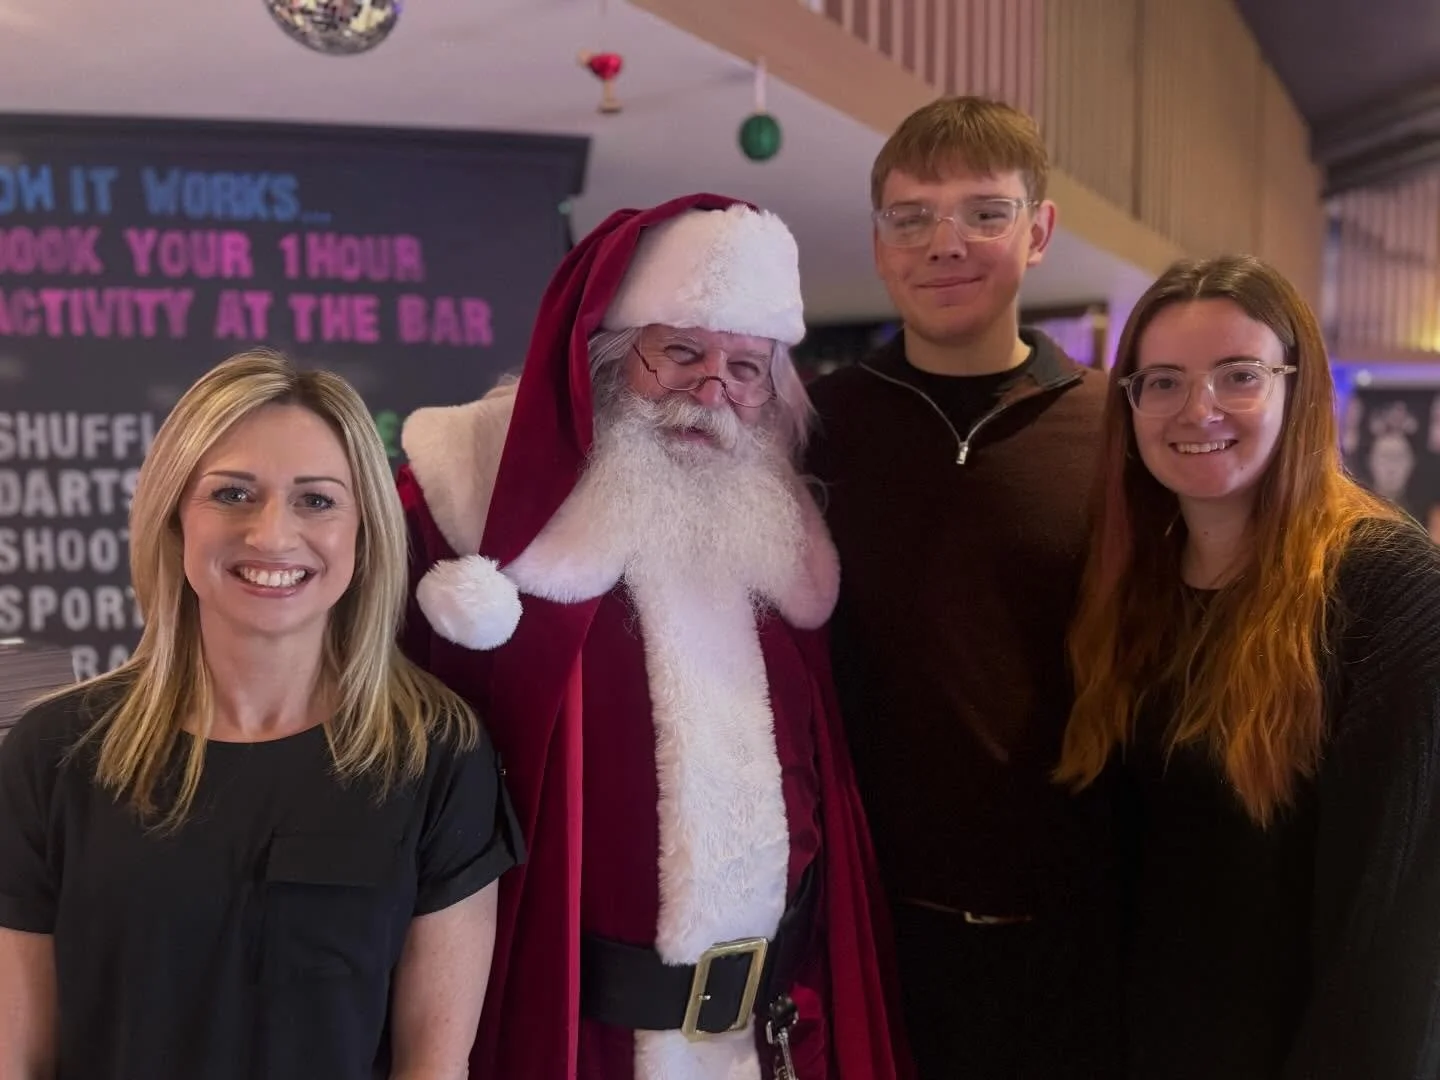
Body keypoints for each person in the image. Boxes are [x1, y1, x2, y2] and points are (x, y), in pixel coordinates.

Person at [397, 193, 908, 1080]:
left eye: (747, 367)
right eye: (679, 352)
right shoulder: (460, 514)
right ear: (602, 357)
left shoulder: (779, 541)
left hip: (774, 1037)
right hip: (580, 1039)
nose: (713, 389)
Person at [0, 350, 523, 1080]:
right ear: (175, 518)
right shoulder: (51, 755)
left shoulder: (437, 756)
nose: (273, 535)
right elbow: (17, 1058)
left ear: (362, 530)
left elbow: (431, 1067)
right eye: (233, 494)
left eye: (316, 500)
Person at [1057, 254, 1440, 1078]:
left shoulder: (1387, 590)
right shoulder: (1137, 582)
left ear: (1298, 388)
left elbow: (1394, 937)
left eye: (1238, 375)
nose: (1198, 409)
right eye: (1161, 381)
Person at [804, 95, 1119, 1076]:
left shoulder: (1117, 432)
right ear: (880, 240)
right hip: (862, 934)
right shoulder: (812, 429)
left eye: (985, 212)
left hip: (1079, 939)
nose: (947, 242)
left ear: (1040, 232)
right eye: (914, 216)